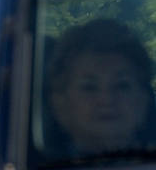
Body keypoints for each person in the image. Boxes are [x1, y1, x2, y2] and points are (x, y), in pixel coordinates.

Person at [45, 18, 156, 157]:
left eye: (122, 85)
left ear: (143, 99)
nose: (106, 99)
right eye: (89, 87)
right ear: (60, 101)